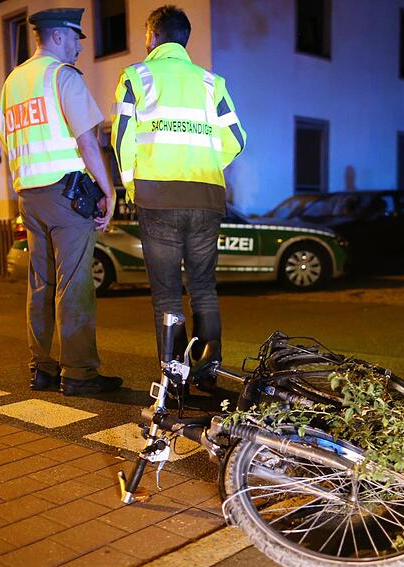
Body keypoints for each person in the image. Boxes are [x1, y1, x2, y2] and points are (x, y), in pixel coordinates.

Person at [110, 5, 246, 389]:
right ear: (184, 40)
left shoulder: (136, 76)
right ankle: (208, 370)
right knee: (203, 286)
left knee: (167, 293)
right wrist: (204, 162)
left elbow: (122, 140)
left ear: (151, 37)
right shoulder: (210, 83)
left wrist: (134, 184)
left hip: (157, 197)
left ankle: (175, 377)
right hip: (205, 196)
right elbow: (237, 140)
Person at [0, 8, 122, 396]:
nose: (80, 47)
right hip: (66, 196)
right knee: (75, 284)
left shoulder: (12, 83)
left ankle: (42, 370)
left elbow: (5, 135)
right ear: (59, 37)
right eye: (76, 39)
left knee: (40, 283)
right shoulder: (61, 76)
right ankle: (80, 374)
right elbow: (87, 141)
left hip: (28, 197)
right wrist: (109, 190)